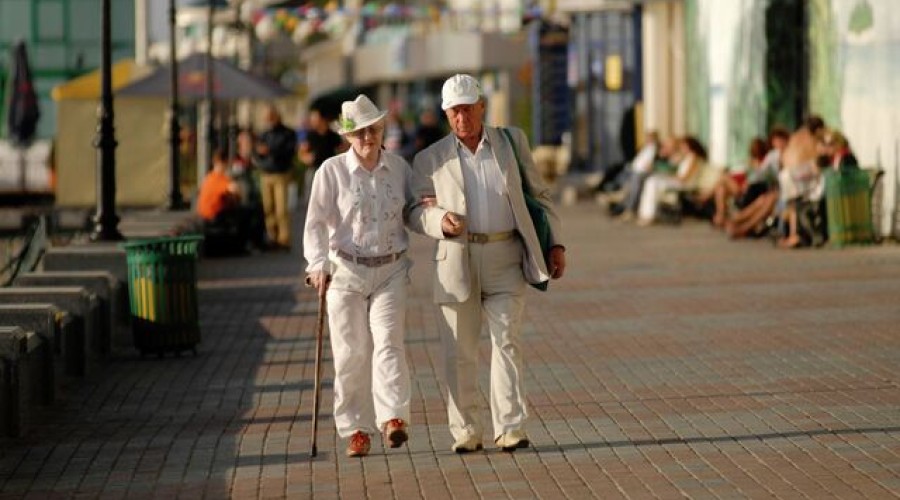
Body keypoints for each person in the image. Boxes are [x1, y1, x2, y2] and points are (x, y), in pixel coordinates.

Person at [408, 74, 566, 453]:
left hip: (505, 255)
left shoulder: (511, 142)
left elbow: (538, 194)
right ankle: (466, 430)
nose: (462, 117)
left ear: (482, 106)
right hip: (455, 259)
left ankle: (511, 427)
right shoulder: (429, 159)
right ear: (446, 114)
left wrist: (555, 243)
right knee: (458, 351)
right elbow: (414, 211)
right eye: (454, 111)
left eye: (468, 108)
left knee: (507, 342)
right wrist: (438, 221)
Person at [303, 95, 413, 458]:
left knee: (388, 342)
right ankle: (356, 429)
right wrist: (317, 265)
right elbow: (316, 223)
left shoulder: (399, 169)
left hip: (391, 269)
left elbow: (415, 208)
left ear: (383, 131)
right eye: (361, 132)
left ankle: (393, 418)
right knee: (350, 352)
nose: (368, 138)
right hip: (346, 270)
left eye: (374, 130)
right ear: (347, 137)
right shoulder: (331, 172)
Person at [254, 105, 297, 251]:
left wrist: (270, 151)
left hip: (281, 173)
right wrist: (260, 157)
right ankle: (272, 238)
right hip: (266, 174)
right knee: (268, 208)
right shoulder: (264, 134)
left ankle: (284, 240)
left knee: (281, 209)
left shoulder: (287, 133)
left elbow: (290, 151)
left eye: (271, 117)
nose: (269, 120)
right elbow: (257, 152)